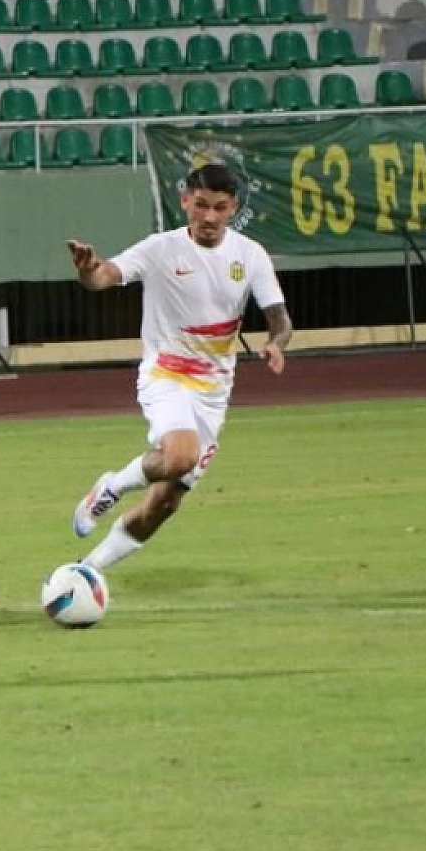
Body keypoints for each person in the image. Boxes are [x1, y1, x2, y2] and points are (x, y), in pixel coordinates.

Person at [64, 163, 293, 571]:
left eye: (219, 207)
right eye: (200, 205)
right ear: (185, 201)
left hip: (214, 392)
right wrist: (88, 270)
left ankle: (90, 570)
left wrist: (276, 342)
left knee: (166, 501)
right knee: (180, 455)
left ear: (232, 208)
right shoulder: (160, 249)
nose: (208, 216)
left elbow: (279, 315)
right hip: (166, 373)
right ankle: (112, 486)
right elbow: (105, 277)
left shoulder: (249, 255)